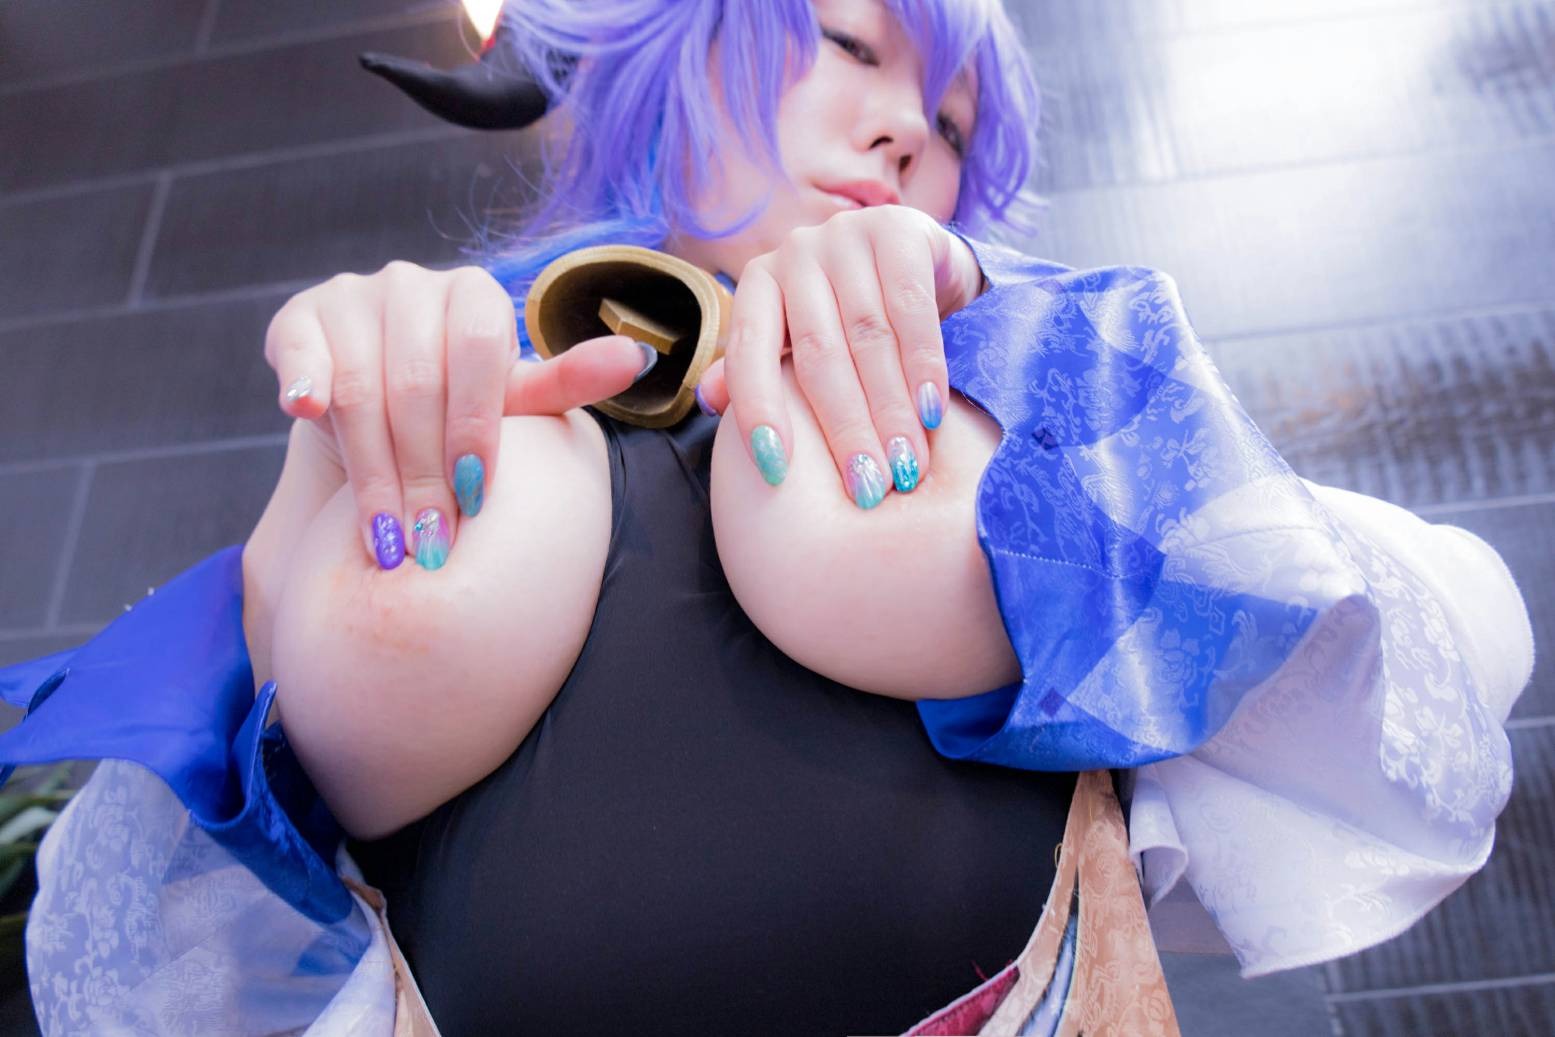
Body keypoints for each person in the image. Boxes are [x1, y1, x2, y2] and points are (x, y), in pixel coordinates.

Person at [0, 0, 1534, 1033]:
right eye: (854, 42)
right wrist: (350, 434)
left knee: (879, 454)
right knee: (461, 446)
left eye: (950, 126)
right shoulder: (491, 376)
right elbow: (201, 868)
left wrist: (1001, 331)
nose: (907, 131)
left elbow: (1407, 642)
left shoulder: (1038, 365)